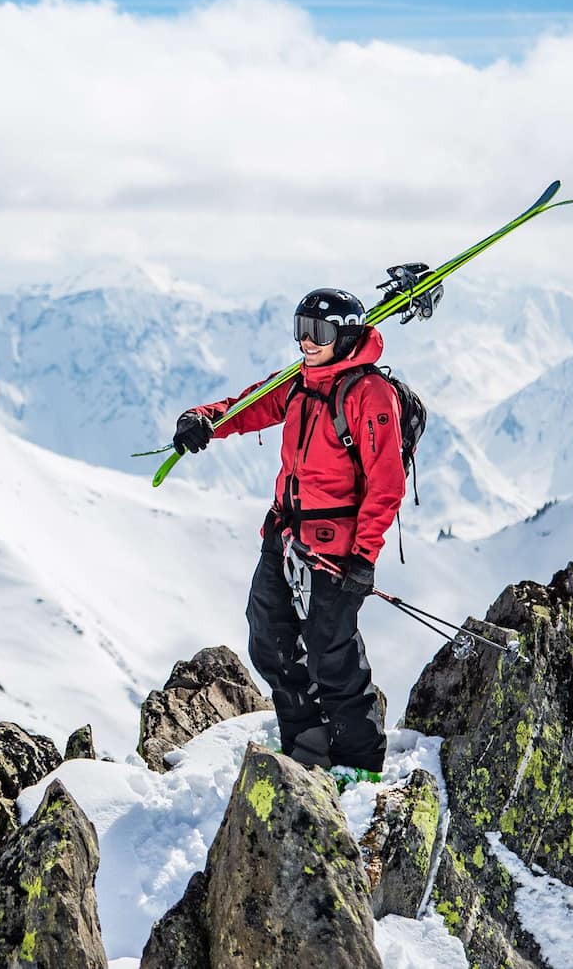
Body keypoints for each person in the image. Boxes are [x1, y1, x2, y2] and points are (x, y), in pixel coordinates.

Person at [171, 287, 405, 785]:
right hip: (284, 532)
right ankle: (307, 743)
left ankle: (360, 764)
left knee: (331, 651)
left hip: (336, 547)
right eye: (300, 328)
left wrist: (364, 558)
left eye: (318, 332)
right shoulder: (299, 382)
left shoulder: (370, 394)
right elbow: (247, 407)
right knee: (269, 637)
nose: (305, 341)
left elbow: (386, 484)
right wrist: (203, 419)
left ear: (344, 335)